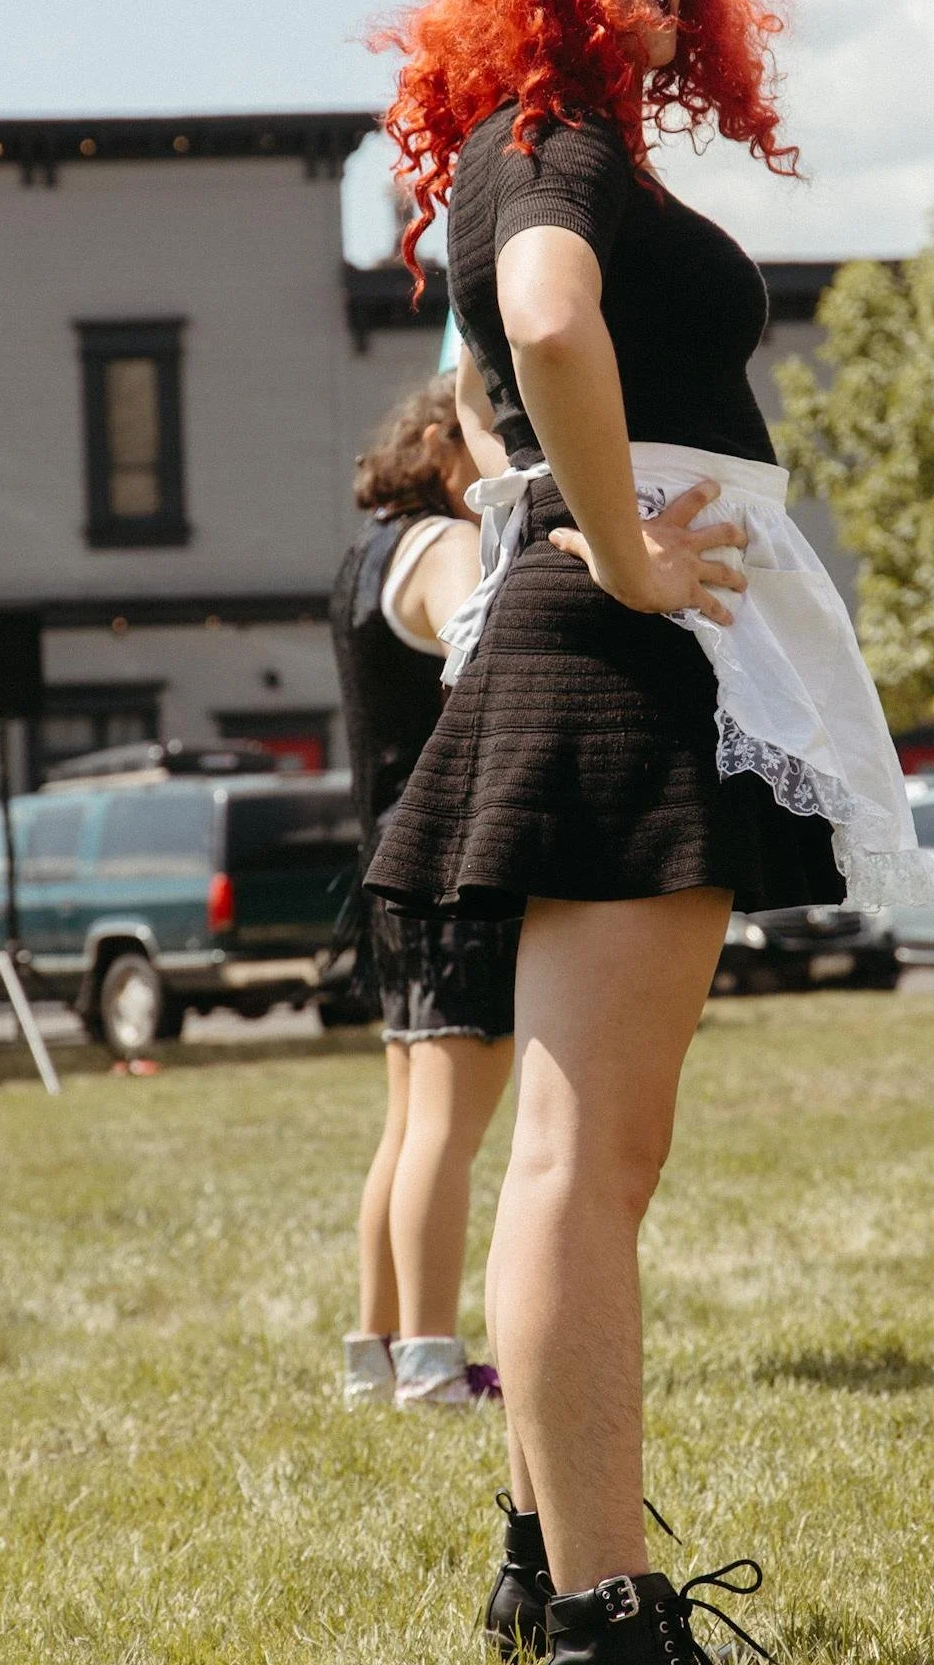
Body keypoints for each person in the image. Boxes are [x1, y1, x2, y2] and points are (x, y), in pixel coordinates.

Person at [367, 0, 934, 1663]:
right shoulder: (545, 144)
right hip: (619, 655)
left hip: (635, 654)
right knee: (582, 1160)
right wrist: (620, 544)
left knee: (592, 1150)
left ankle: (547, 1563)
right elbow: (543, 323)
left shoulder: (581, 142)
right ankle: (613, 1616)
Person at [330, 374, 518, 1414]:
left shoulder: (363, 554)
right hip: (451, 858)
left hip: (387, 866)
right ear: (445, 442)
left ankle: (380, 1350)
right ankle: (435, 1362)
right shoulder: (446, 549)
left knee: (408, 1124)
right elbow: (475, 656)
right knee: (445, 1129)